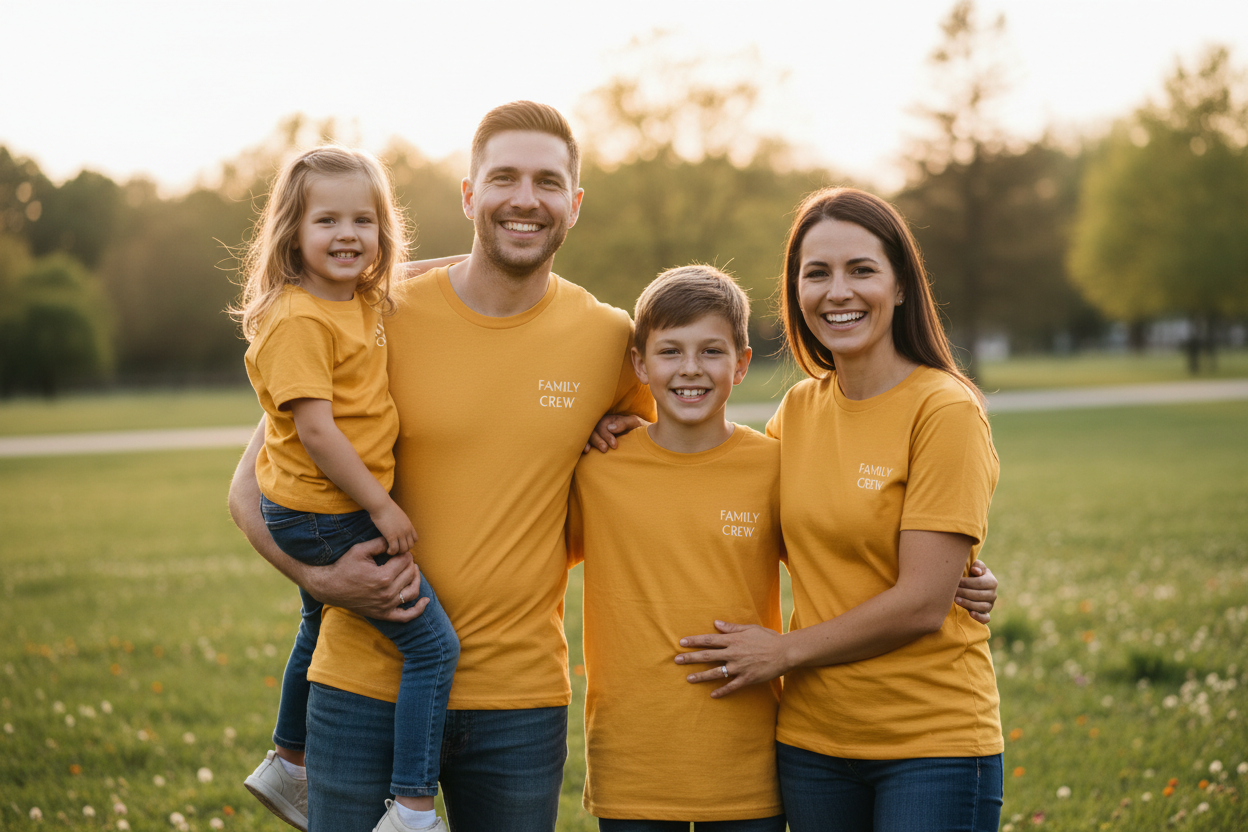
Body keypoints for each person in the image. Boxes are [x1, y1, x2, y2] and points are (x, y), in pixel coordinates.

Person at [228, 101, 655, 832]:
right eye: (504, 177)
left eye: (548, 182)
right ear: (468, 193)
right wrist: (319, 579)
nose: (525, 198)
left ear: (574, 204)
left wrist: (624, 431)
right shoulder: (373, 314)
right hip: (361, 688)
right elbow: (250, 486)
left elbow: (659, 458)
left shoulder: (610, 339)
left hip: (518, 705)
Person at [675, 187, 1003, 831]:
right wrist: (622, 423)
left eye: (861, 270)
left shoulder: (945, 410)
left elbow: (922, 602)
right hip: (812, 745)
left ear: (902, 285)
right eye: (816, 273)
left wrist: (784, 651)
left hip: (930, 745)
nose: (837, 292)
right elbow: (726, 508)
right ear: (796, 291)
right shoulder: (798, 412)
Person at [232, 146, 459, 832]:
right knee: (433, 648)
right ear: (292, 235)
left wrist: (465, 266)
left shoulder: (353, 297)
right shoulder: (300, 318)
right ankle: (413, 806)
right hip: (329, 512)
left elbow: (405, 273)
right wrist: (381, 506)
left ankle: (287, 761)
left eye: (364, 220)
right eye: (327, 220)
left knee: (316, 617)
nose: (348, 234)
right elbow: (320, 433)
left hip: (314, 506)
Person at [567, 266, 786, 831]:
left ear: (741, 362)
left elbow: (842, 552)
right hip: (632, 760)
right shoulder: (597, 466)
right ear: (640, 364)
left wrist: (959, 574)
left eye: (711, 351)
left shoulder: (774, 466)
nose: (691, 369)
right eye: (670, 351)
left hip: (746, 761)